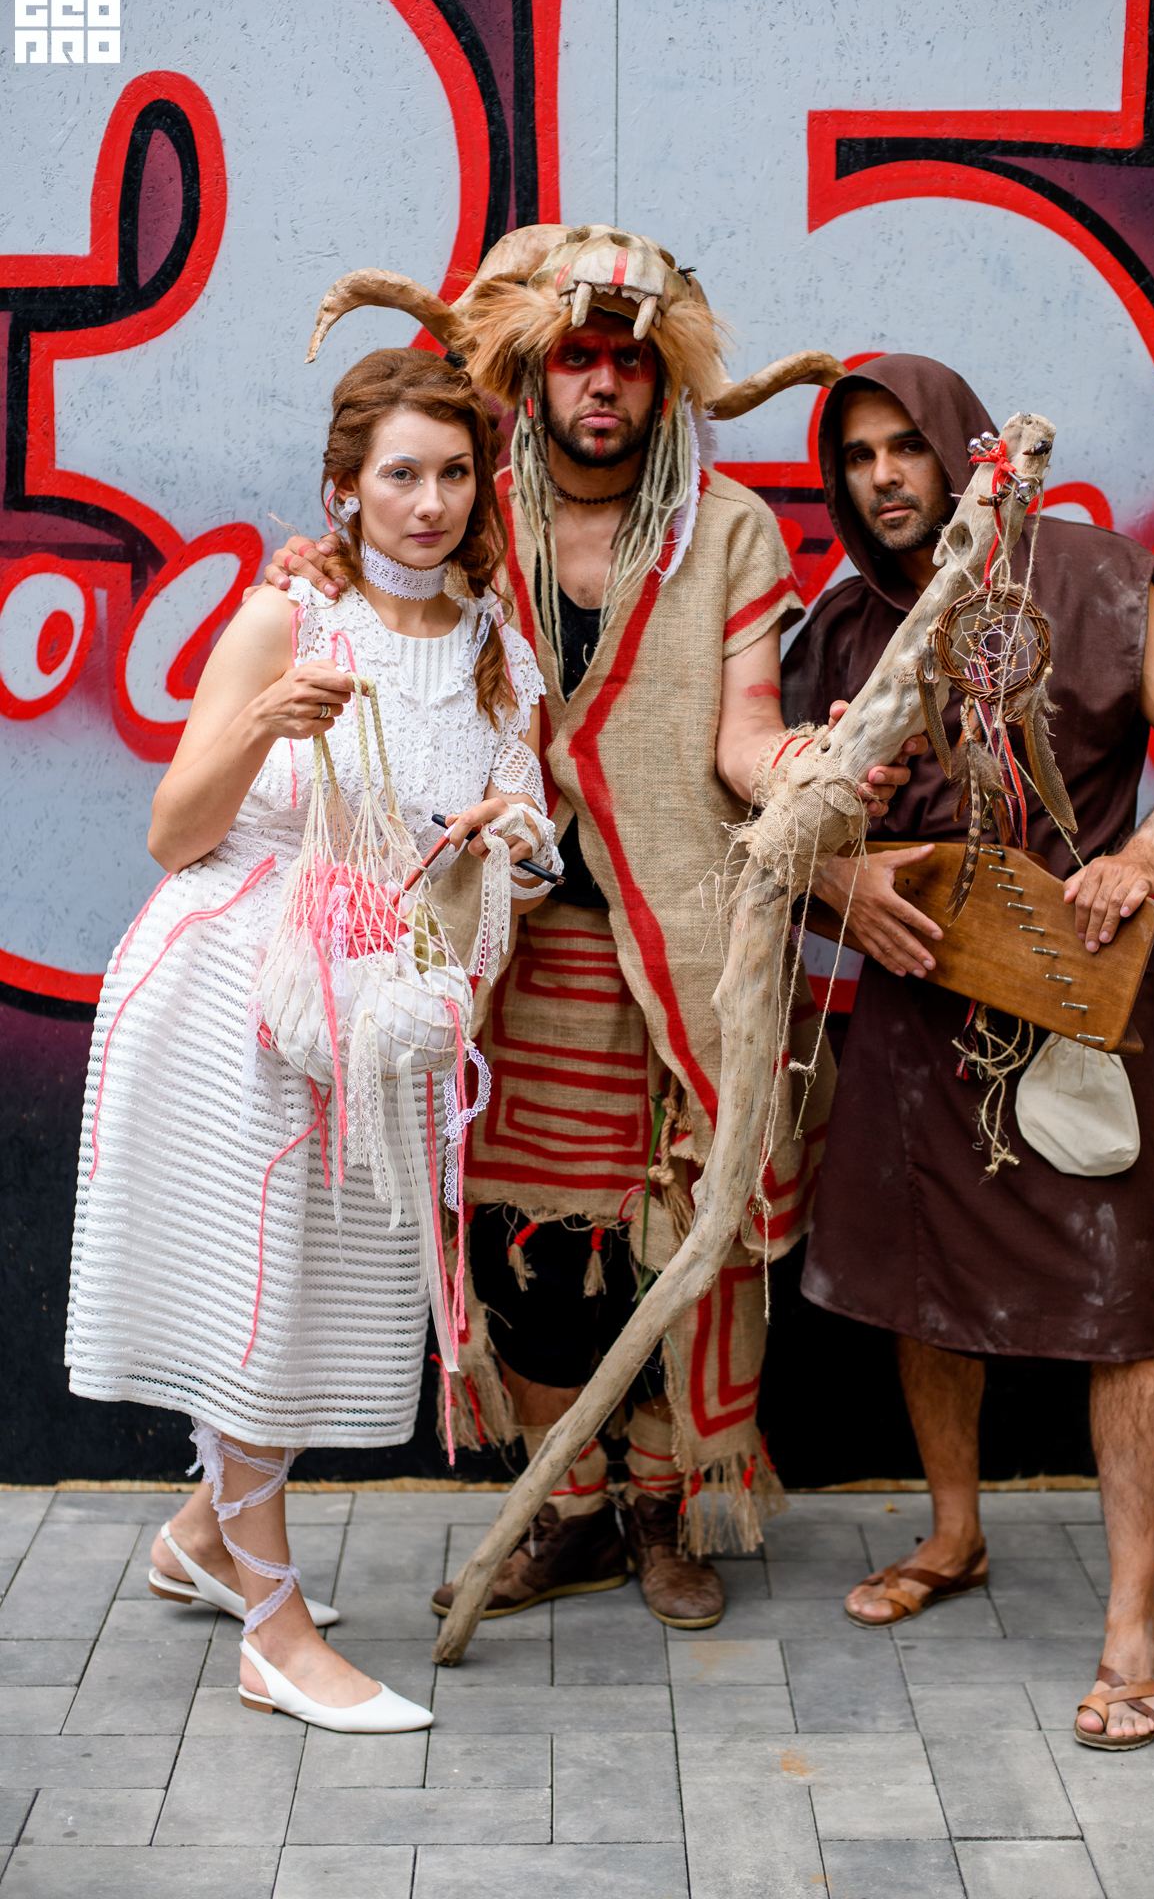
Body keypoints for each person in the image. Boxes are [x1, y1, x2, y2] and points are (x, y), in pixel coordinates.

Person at [269, 223, 916, 1630]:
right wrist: (313, 577)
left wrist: (806, 771)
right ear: (536, 374)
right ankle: (564, 1514)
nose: (603, 385)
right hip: (499, 943)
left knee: (678, 1233)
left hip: (683, 940)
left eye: (628, 362)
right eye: (577, 360)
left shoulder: (726, 529)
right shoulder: (470, 506)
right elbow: (378, 599)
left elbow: (745, 737)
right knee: (521, 1232)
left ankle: (661, 1510)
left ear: (663, 380)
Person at [68, 347, 557, 1730]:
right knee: (262, 1304)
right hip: (230, 1000)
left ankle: (201, 1541)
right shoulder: (284, 620)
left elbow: (528, 850)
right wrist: (263, 724)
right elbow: (174, 833)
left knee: (311, 1299)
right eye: (400, 475)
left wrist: (511, 838)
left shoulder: (494, 649)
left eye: (453, 474)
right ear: (344, 489)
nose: (430, 502)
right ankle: (274, 1634)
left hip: (376, 1008)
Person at [783, 354, 1154, 1750]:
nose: (883, 476)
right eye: (856, 456)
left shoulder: (1096, 576)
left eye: (904, 446)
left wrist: (1145, 857)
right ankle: (955, 1533)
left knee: (1122, 1309)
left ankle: (1131, 1624)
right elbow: (777, 826)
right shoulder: (845, 630)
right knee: (924, 1284)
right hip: (917, 1007)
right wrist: (842, 872)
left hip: (1069, 1002)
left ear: (963, 446)